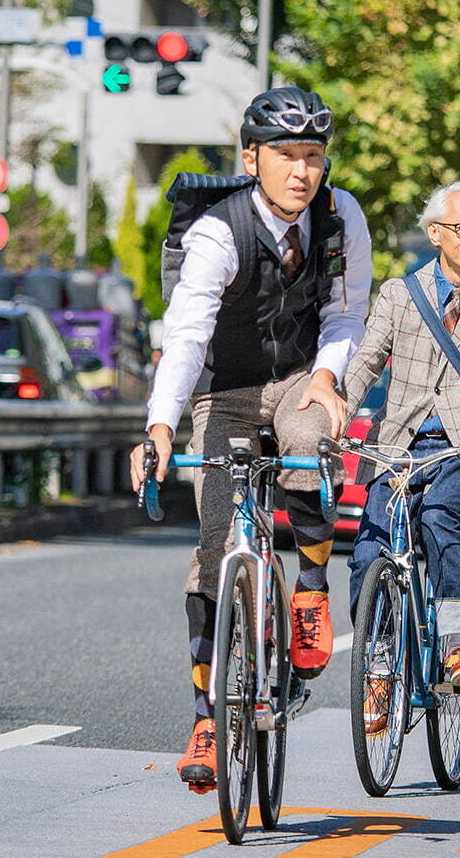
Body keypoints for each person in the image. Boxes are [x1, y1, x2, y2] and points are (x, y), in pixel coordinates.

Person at [128, 87, 372, 793]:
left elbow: (347, 310)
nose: (302, 171)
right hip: (221, 387)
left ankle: (312, 587)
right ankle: (207, 712)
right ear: (251, 158)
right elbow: (186, 335)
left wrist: (328, 377)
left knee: (309, 435)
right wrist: (161, 425)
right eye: (286, 156)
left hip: (300, 374)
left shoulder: (340, 215)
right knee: (212, 545)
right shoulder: (216, 231)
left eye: (314, 157)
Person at [342, 181, 460, 725]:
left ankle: (459, 644)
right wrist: (331, 411)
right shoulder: (400, 295)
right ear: (435, 233)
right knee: (368, 552)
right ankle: (378, 668)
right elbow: (365, 362)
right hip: (397, 444)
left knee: (439, 518)